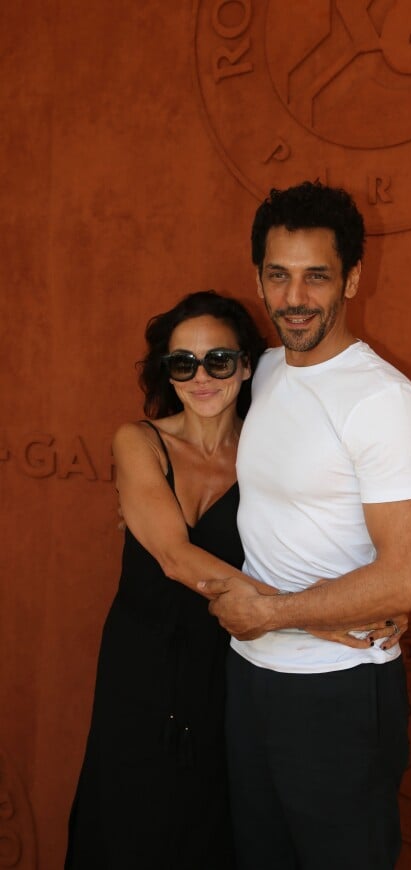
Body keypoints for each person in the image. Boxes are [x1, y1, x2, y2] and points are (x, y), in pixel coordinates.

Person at [199, 182, 411, 870]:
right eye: (279, 275)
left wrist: (274, 613)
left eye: (316, 276)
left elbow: (408, 576)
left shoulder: (382, 401)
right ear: (258, 279)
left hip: (336, 690)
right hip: (251, 678)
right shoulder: (267, 369)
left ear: (353, 280)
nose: (294, 297)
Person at [65, 291, 268, 869]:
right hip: (140, 668)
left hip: (224, 673)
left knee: (209, 832)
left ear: (247, 364)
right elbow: (176, 559)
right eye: (183, 363)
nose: (200, 377)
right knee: (127, 824)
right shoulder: (140, 441)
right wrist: (317, 615)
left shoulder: (268, 457)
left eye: (218, 361)